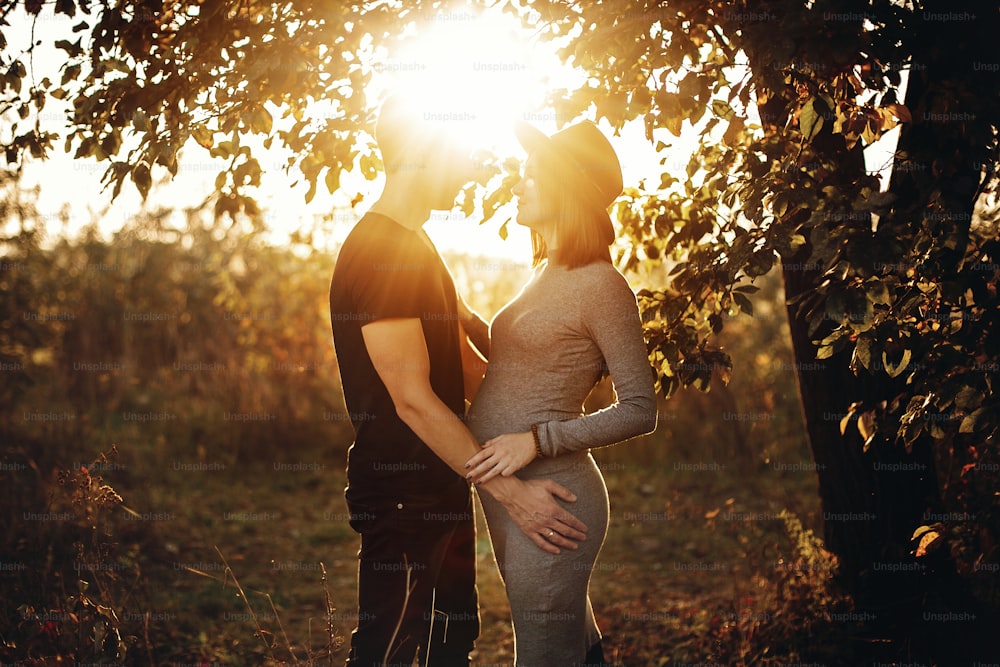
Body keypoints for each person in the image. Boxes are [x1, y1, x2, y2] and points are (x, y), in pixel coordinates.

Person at [328, 96, 589, 667]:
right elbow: (414, 401)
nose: (470, 171)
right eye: (460, 158)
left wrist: (548, 425)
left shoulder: (417, 246)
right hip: (401, 495)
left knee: (451, 644)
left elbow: (468, 373)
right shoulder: (379, 253)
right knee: (389, 650)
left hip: (443, 482)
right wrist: (513, 495)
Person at [464, 120, 658, 666]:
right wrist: (465, 319)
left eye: (531, 175)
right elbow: (523, 362)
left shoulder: (601, 284)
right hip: (511, 492)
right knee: (572, 647)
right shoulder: (547, 271)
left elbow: (641, 410)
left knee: (545, 655)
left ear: (566, 189)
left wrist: (536, 440)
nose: (519, 184)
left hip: (555, 498)